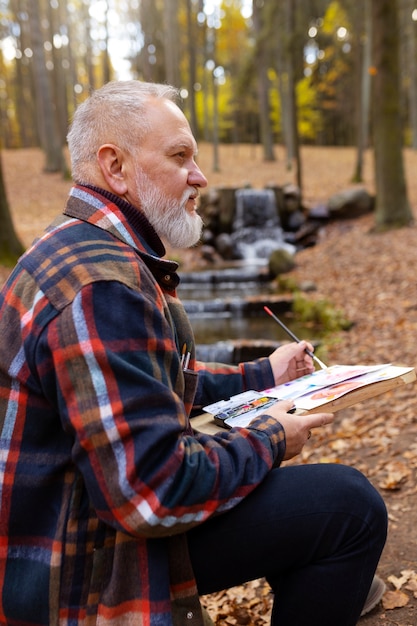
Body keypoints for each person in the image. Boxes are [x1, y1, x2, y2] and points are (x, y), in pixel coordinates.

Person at [0, 80, 387, 626]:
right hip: (80, 574)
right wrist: (273, 437)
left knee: (317, 509)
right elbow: (149, 492)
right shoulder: (101, 286)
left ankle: (321, 573)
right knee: (351, 507)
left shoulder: (78, 246)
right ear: (116, 167)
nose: (200, 177)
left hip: (81, 529)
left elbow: (146, 384)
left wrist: (262, 374)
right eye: (180, 156)